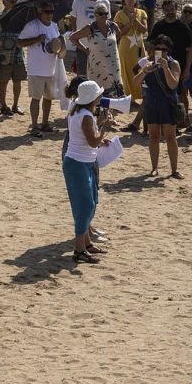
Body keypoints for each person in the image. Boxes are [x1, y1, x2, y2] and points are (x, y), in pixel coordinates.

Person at [63, 81, 112, 265]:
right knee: (85, 205)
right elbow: (92, 141)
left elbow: (86, 139)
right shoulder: (85, 116)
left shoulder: (77, 110)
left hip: (80, 162)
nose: (101, 98)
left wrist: (100, 138)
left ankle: (86, 243)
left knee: (89, 201)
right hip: (78, 164)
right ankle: (79, 249)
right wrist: (105, 127)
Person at [18, 0, 63, 136]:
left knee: (48, 98)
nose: (50, 14)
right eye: (47, 12)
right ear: (39, 12)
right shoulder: (32, 26)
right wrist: (36, 39)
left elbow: (59, 43)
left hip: (51, 68)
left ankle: (45, 123)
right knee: (36, 98)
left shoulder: (54, 26)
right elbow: (19, 43)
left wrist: (60, 48)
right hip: (36, 69)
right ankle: (35, 126)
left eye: (51, 12)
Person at [139, 39, 183, 178]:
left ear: (168, 51)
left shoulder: (173, 64)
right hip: (152, 102)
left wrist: (165, 68)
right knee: (154, 136)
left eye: (164, 49)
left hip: (167, 103)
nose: (161, 51)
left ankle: (174, 170)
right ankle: (154, 168)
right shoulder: (149, 64)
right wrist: (145, 71)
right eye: (158, 48)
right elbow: (135, 81)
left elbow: (173, 85)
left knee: (170, 137)